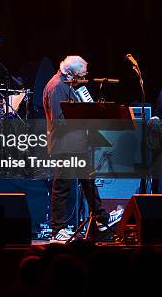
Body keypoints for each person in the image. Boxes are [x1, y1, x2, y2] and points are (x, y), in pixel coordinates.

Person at [43, 55, 122, 242]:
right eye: (81, 75)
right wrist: (85, 115)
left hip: (76, 144)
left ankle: (101, 219)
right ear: (71, 72)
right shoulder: (57, 87)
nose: (83, 78)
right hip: (65, 145)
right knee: (62, 187)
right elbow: (59, 121)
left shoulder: (67, 84)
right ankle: (57, 230)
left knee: (88, 182)